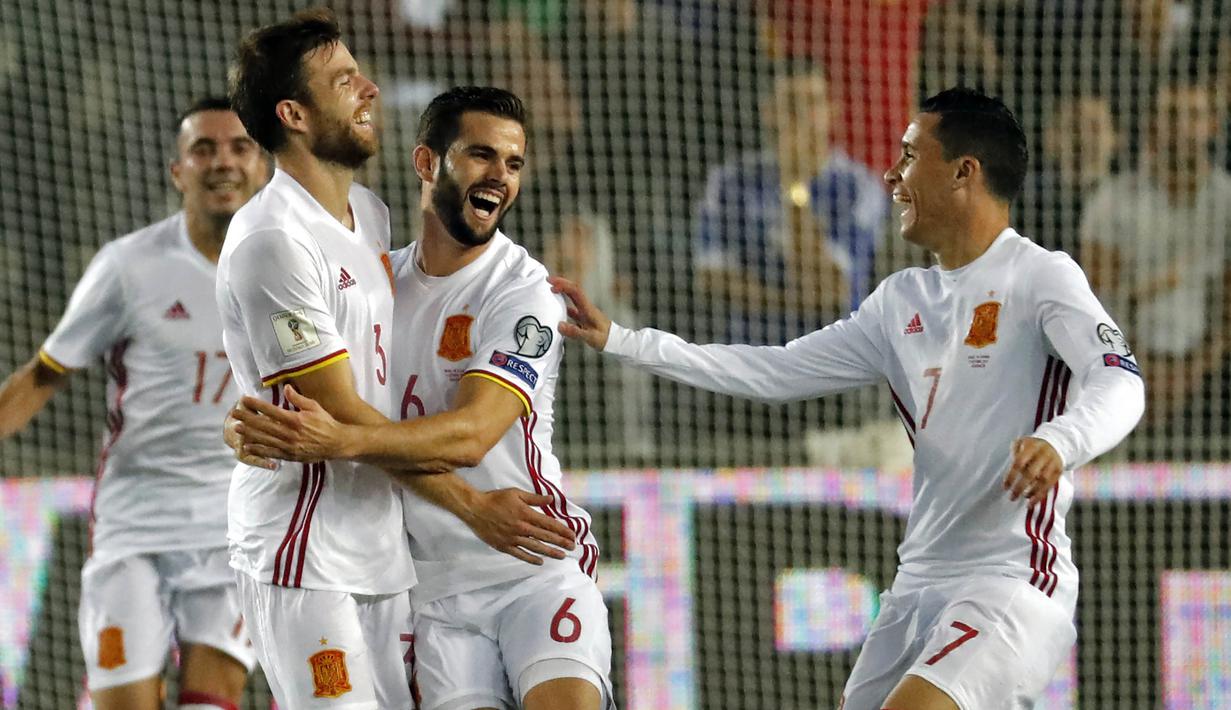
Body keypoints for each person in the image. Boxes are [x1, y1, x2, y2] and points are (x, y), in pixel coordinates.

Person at [552, 88, 1145, 709]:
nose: (892, 174)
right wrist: (624, 340)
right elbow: (775, 371)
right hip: (916, 585)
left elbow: (1120, 380)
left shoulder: (1041, 275)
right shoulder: (901, 302)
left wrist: (1060, 439)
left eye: (911, 156)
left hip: (1013, 579)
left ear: (965, 171)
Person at [220, 13, 572, 709]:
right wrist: (471, 505)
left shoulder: (371, 217)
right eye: (344, 81)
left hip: (384, 547)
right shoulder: (273, 240)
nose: (369, 90)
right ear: (293, 114)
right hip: (305, 547)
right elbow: (337, 415)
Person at [0, 97, 266, 710]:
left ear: (263, 167)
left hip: (239, 527)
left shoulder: (295, 274)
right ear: (178, 171)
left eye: (239, 147)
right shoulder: (128, 267)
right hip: (135, 524)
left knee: (213, 697)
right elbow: (44, 375)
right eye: (203, 149)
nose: (221, 162)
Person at [1080, 74, 1231, 459]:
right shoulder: (1111, 202)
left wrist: (1197, 367)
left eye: (1194, 115)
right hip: (1126, 369)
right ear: (1151, 123)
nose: (1183, 126)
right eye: (1171, 114)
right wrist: (1139, 365)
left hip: (1211, 379)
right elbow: (1096, 306)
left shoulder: (1226, 204)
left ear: (1212, 125)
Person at [694, 62, 887, 346]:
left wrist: (794, 186)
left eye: (812, 102)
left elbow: (830, 289)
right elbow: (709, 280)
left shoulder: (859, 187)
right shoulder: (730, 180)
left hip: (831, 358)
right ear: (769, 111)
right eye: (791, 103)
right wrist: (793, 301)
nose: (801, 116)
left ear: (831, 112)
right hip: (748, 352)